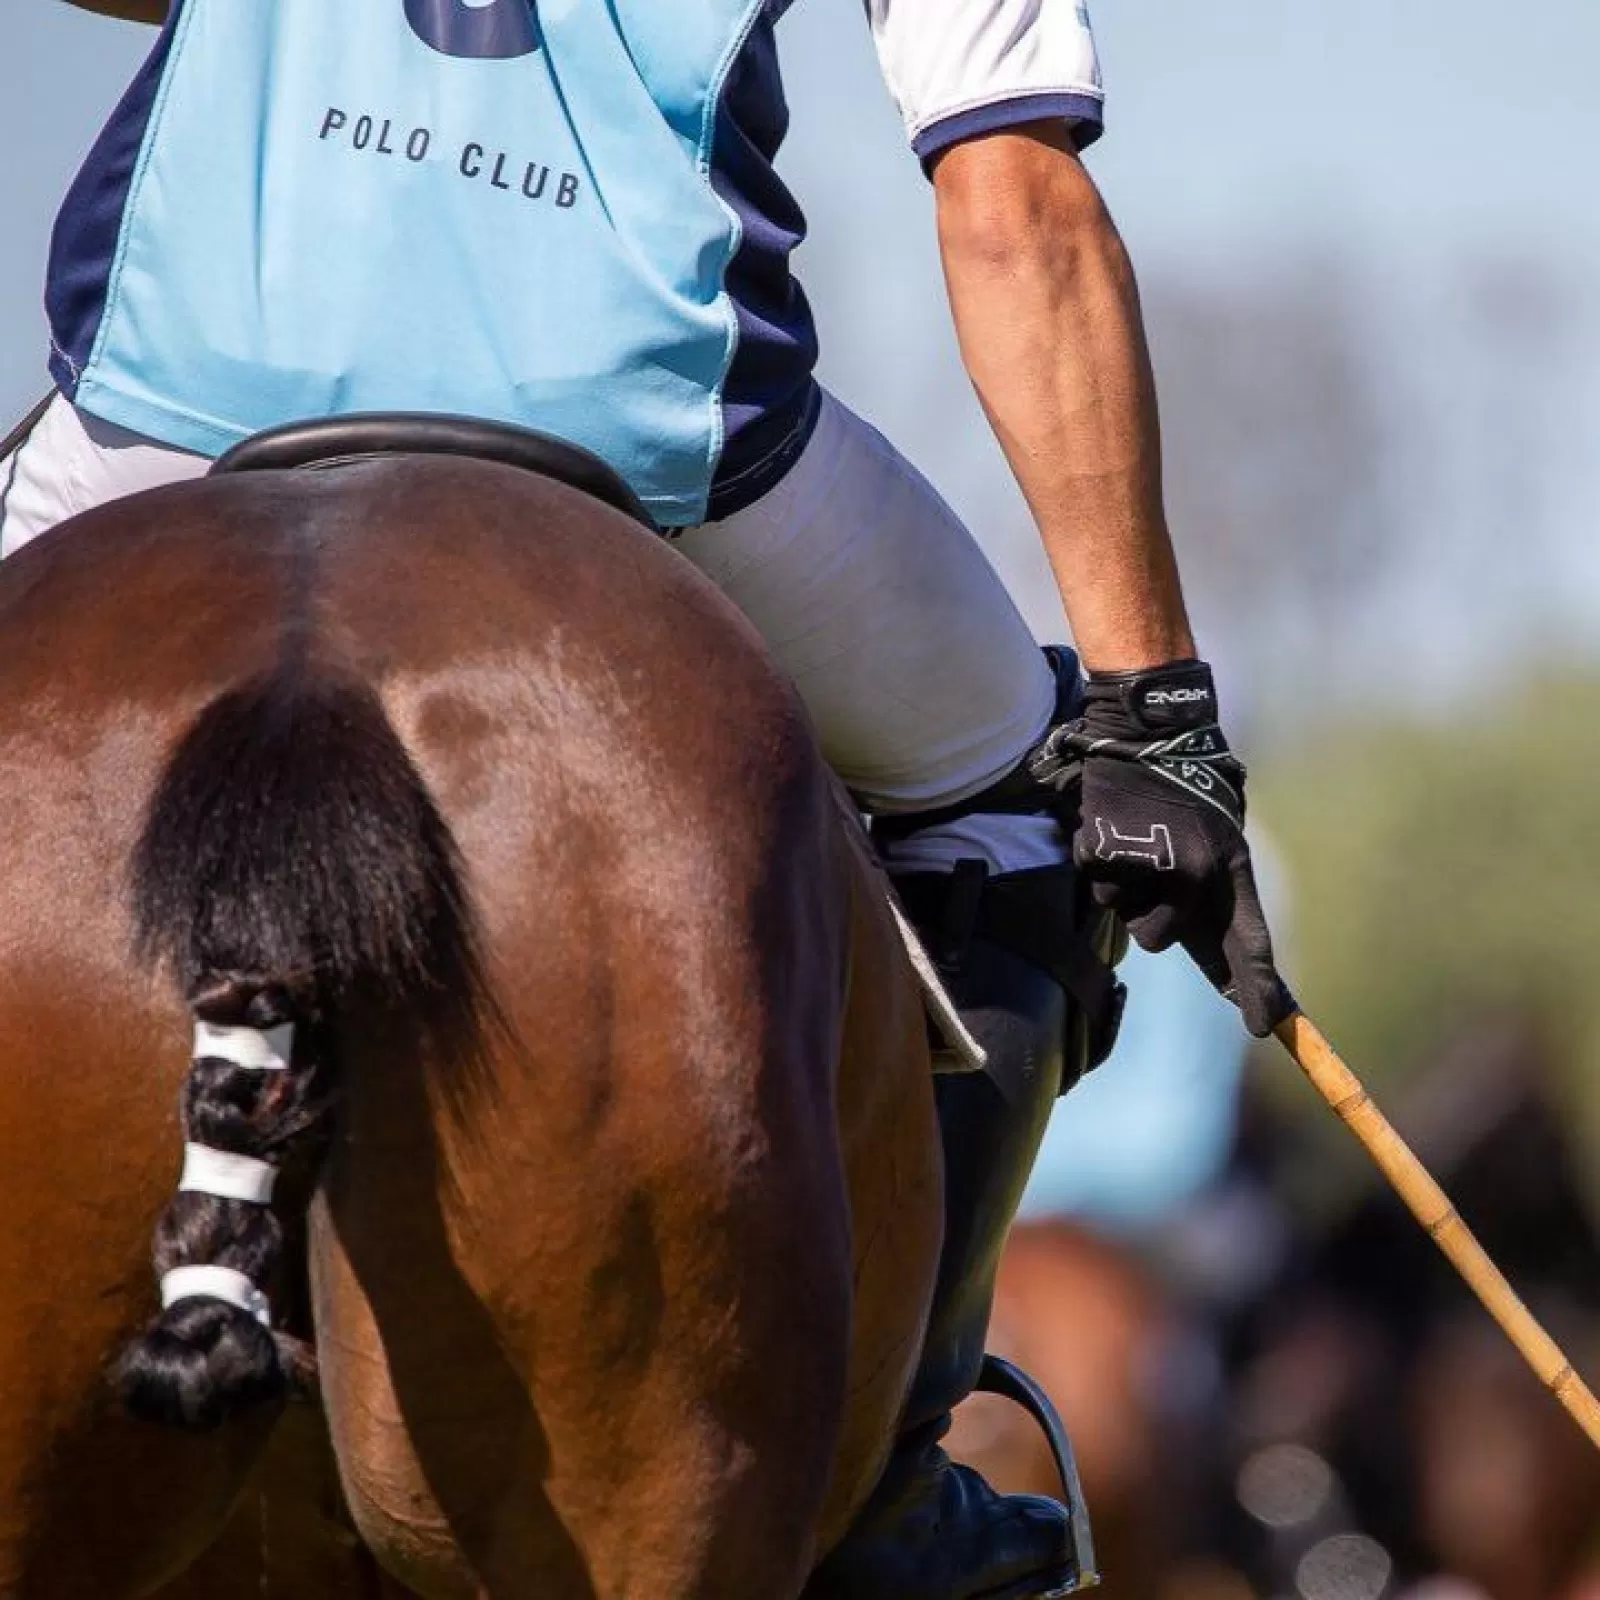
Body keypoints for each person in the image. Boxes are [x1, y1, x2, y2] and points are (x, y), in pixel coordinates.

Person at [0, 2, 1293, 1595]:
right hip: (643, 420)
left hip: (172, 394)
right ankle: (894, 1474)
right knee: (1016, 808)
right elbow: (1017, 209)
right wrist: (1150, 710)